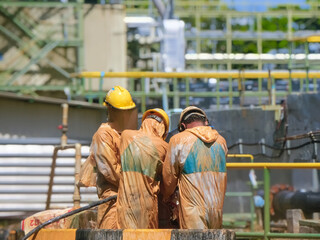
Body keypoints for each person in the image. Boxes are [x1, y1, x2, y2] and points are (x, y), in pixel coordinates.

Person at [161, 106, 228, 229]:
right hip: (217, 209)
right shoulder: (221, 142)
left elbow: (169, 178)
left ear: (183, 126)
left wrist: (165, 197)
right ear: (206, 122)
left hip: (192, 212)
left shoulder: (178, 140)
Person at [87, 86, 138, 229]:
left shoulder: (126, 133)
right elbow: (110, 171)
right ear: (110, 110)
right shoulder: (103, 135)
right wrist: (136, 184)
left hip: (129, 199)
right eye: (121, 111)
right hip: (112, 201)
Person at [116, 108, 169, 229]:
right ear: (162, 128)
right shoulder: (164, 146)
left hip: (125, 204)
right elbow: (168, 180)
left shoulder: (126, 135)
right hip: (147, 204)